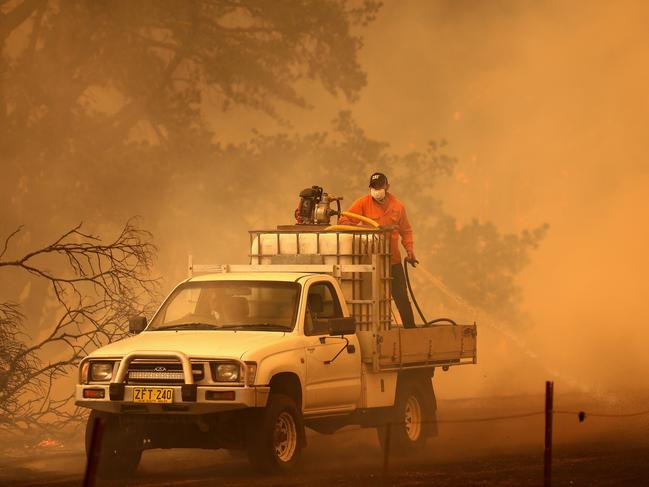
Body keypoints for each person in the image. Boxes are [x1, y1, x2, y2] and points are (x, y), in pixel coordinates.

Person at [339, 172, 417, 328]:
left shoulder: (397, 207)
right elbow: (344, 220)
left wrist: (409, 250)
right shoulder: (363, 203)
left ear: (387, 187)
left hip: (392, 261)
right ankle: (376, 331)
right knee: (373, 299)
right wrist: (359, 229)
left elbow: (406, 230)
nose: (376, 190)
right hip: (370, 262)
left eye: (379, 187)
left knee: (401, 297)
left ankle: (411, 330)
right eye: (373, 187)